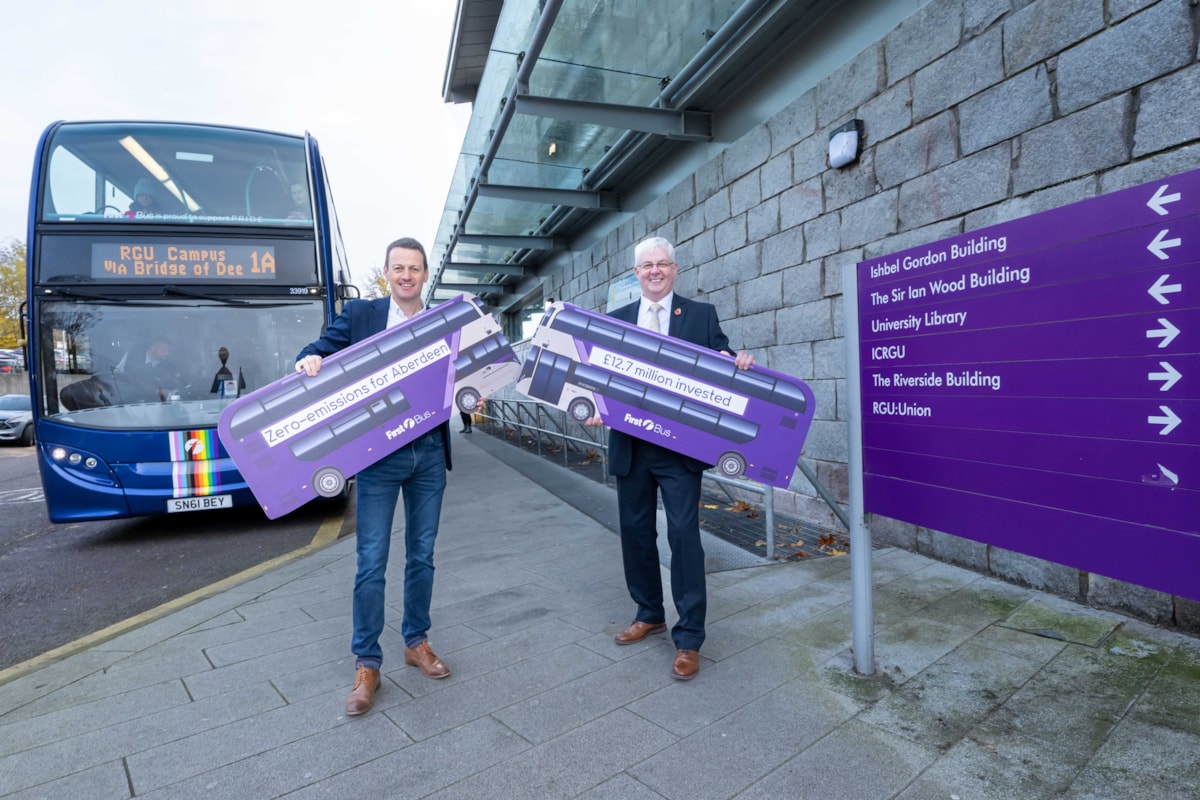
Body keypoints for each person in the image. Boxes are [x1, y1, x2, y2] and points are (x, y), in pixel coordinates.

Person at [295, 236, 454, 717]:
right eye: (398, 268)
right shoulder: (362, 315)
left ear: (426, 274)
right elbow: (317, 348)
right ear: (388, 273)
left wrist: (473, 396)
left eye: (415, 268)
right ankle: (367, 664)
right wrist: (310, 359)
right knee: (371, 561)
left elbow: (460, 377)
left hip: (428, 454)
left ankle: (416, 641)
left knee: (422, 555)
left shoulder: (443, 321)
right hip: (378, 457)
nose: (406, 275)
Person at [588, 236, 755, 681]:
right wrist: (594, 408)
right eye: (647, 265)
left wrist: (736, 362)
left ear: (675, 269)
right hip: (631, 447)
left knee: (683, 536)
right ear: (636, 273)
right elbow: (600, 380)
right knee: (635, 533)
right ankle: (649, 613)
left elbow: (721, 363)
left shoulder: (701, 316)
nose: (655, 271)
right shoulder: (617, 321)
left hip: (680, 450)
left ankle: (689, 638)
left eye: (663, 264)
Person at [118, 334, 181, 402]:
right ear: (153, 347)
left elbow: (175, 390)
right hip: (127, 404)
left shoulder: (170, 368)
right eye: (164, 350)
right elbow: (117, 375)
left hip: (156, 407)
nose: (167, 353)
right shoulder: (131, 355)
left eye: (168, 350)